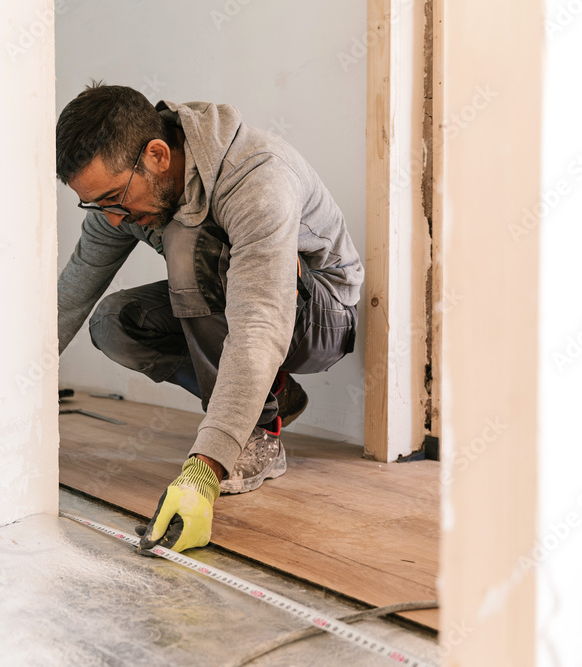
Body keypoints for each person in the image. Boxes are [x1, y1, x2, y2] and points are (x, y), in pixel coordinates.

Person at [55, 83, 364, 554]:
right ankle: (273, 395)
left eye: (114, 199)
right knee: (114, 323)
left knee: (187, 240)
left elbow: (260, 323)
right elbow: (71, 295)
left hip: (320, 315)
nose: (112, 219)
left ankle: (258, 434)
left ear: (157, 155)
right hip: (246, 303)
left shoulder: (256, 176)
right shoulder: (123, 197)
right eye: (95, 204)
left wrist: (204, 468)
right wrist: (12, 398)